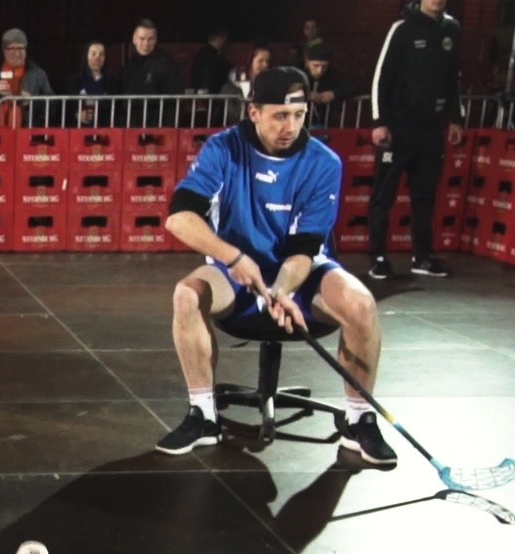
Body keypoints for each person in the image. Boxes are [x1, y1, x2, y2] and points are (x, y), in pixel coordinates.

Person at [155, 68, 394, 468]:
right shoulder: (223, 150)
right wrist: (233, 257)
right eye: (280, 115)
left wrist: (282, 290)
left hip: (301, 274)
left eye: (299, 116)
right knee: (186, 295)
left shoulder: (323, 162)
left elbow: (304, 248)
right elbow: (179, 218)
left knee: (361, 304)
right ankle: (204, 415)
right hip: (235, 274)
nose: (291, 126)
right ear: (254, 112)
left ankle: (358, 421)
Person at [366, 0, 464, 281]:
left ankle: (422, 257)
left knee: (425, 197)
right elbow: (381, 77)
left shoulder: (452, 29)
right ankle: (378, 257)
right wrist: (379, 122)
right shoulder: (402, 28)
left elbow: (454, 77)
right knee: (384, 196)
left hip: (431, 130)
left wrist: (456, 117)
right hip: (398, 129)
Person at [121, 20, 182, 96]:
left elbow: (174, 94)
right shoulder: (129, 66)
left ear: (155, 40)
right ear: (134, 40)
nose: (146, 43)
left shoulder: (166, 64)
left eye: (150, 39)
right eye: (142, 39)